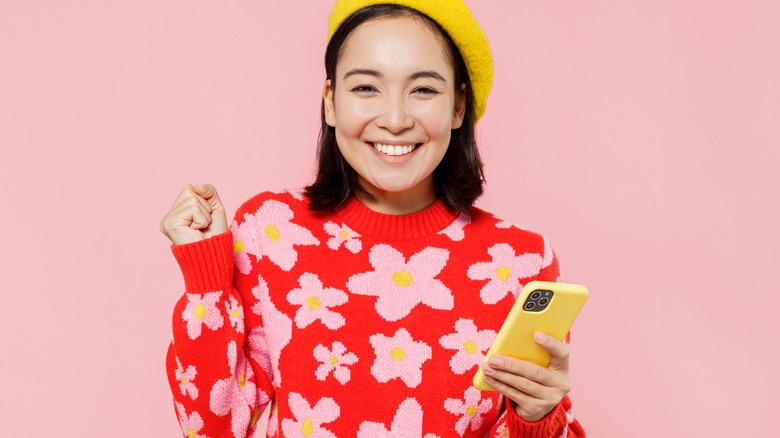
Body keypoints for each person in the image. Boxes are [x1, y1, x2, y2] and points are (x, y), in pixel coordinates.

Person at [160, 1, 586, 437]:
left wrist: (536, 419)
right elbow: (215, 427)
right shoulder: (271, 231)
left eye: (423, 90)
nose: (396, 120)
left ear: (459, 107)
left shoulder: (519, 262)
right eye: (366, 88)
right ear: (330, 102)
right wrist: (206, 280)